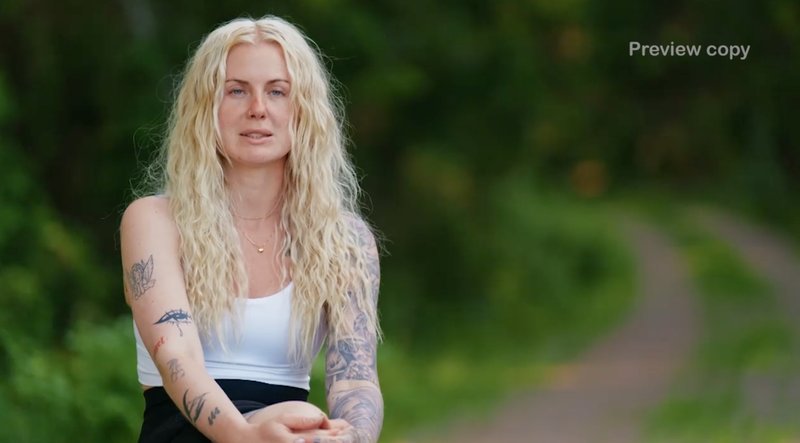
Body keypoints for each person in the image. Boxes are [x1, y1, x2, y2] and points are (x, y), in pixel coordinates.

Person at [120, 15, 383, 443]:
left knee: (307, 421)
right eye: (236, 90)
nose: (258, 108)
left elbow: (356, 380)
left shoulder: (346, 240)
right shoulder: (154, 220)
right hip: (185, 431)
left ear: (303, 110)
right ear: (205, 107)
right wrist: (245, 436)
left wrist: (350, 437)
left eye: (277, 91)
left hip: (291, 434)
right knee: (301, 416)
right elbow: (176, 355)